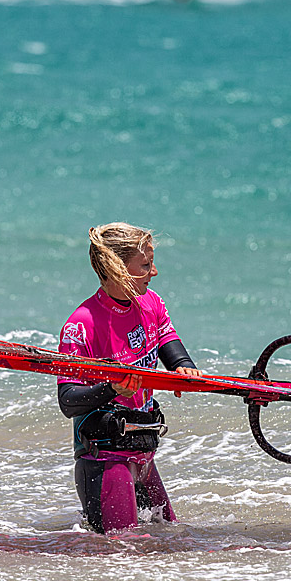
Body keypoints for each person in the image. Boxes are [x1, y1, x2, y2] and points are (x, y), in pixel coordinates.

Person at [58, 222, 202, 534]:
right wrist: (111, 388)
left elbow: (166, 338)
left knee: (169, 537)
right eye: (146, 265)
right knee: (121, 552)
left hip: (144, 452)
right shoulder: (82, 325)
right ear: (118, 268)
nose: (154, 272)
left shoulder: (151, 304)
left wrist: (183, 367)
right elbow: (68, 400)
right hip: (104, 457)